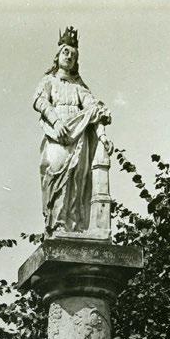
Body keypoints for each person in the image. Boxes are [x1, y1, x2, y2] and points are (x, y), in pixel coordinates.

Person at [33, 27, 112, 235]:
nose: (69, 56)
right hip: (58, 135)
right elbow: (39, 101)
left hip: (79, 137)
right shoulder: (49, 81)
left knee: (78, 179)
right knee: (57, 176)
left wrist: (102, 136)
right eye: (66, 52)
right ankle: (57, 223)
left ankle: (74, 225)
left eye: (73, 54)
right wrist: (56, 122)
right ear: (57, 55)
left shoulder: (79, 87)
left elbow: (95, 110)